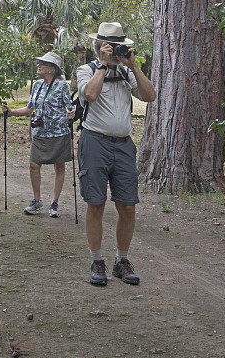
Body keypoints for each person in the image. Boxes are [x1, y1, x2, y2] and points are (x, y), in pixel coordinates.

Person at [76, 22, 156, 286]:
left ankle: (122, 261)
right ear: (98, 46)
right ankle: (97, 260)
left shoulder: (126, 72)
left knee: (128, 205)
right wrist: (102, 64)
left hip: (123, 145)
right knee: (96, 203)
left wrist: (132, 65)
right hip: (94, 142)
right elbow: (90, 94)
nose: (113, 51)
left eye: (117, 46)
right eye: (108, 46)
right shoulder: (85, 70)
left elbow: (150, 95)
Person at [2, 52, 76, 218]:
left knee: (59, 166)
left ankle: (54, 202)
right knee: (33, 165)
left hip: (59, 133)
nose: (39, 66)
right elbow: (29, 109)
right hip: (40, 132)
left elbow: (70, 107)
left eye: (42, 64)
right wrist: (11, 112)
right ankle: (37, 201)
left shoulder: (62, 86)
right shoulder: (37, 85)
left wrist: (72, 113)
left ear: (51, 69)